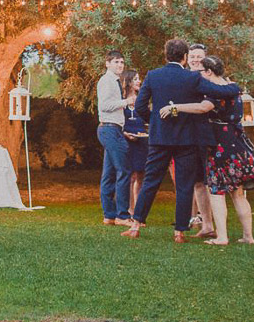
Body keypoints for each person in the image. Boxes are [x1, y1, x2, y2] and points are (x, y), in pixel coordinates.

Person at [122, 39, 240, 241]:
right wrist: (234, 86)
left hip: (160, 138)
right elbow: (223, 91)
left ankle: (135, 226)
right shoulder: (192, 78)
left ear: (166, 55)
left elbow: (141, 105)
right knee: (185, 185)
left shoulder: (153, 75)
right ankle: (179, 232)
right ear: (185, 57)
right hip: (187, 138)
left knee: (150, 181)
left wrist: (156, 121)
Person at [162, 55, 254, 244]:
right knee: (238, 193)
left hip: (220, 145)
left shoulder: (216, 92)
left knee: (216, 192)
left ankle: (222, 237)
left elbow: (203, 108)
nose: (198, 75)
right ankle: (248, 236)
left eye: (200, 71)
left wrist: (176, 107)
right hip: (238, 143)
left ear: (209, 71)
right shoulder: (231, 88)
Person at [96, 50, 136, 227]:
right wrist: (126, 102)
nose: (120, 65)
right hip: (109, 129)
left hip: (114, 129)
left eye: (122, 62)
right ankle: (121, 215)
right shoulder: (107, 81)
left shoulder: (114, 81)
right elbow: (104, 106)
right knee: (124, 171)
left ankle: (109, 215)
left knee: (109, 173)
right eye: (116, 62)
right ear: (108, 63)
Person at [184, 43, 214, 235]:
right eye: (192, 56)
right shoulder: (184, 79)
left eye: (198, 56)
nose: (195, 59)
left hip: (208, 136)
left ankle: (212, 223)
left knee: (210, 181)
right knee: (197, 182)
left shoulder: (210, 80)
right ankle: (206, 224)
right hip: (188, 136)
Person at [122, 69, 148, 214]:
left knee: (141, 175)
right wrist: (126, 134)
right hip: (127, 141)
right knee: (130, 177)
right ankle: (129, 210)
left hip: (141, 141)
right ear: (128, 81)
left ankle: (138, 211)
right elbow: (118, 122)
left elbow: (146, 119)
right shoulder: (122, 100)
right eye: (136, 79)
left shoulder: (142, 100)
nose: (139, 81)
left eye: (139, 78)